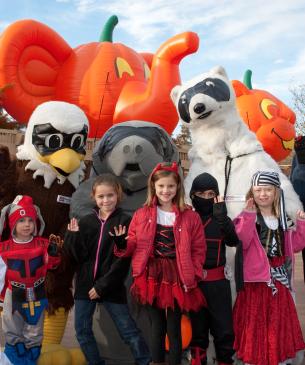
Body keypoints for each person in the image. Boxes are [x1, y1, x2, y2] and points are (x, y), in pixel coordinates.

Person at [114, 161, 207, 365]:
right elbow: (133, 245)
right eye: (161, 186)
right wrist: (122, 243)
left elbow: (199, 249)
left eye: (171, 186)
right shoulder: (142, 214)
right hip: (150, 276)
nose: (166, 190)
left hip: (178, 275)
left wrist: (195, 273)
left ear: (178, 188)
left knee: (174, 328)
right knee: (156, 325)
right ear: (154, 187)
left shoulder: (190, 217)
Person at [64, 174, 151, 365]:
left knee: (128, 331)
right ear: (94, 198)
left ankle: (145, 361)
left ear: (117, 195)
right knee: (82, 331)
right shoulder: (86, 221)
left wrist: (103, 286)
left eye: (110, 195)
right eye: (101, 196)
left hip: (111, 286)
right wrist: (73, 237)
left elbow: (123, 260)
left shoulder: (125, 221)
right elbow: (78, 257)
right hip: (85, 287)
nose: (106, 200)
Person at [233, 171, 305, 365]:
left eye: (268, 190)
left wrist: (302, 224)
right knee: (256, 323)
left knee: (277, 322)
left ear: (276, 193)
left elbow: (296, 245)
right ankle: (255, 359)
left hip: (279, 278)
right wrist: (248, 215)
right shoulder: (247, 217)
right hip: (256, 281)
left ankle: (277, 359)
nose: (263, 194)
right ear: (252, 192)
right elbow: (242, 240)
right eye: (258, 190)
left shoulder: (284, 219)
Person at [0, 195, 60, 365]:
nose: (26, 224)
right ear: (12, 224)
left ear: (36, 223)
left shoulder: (43, 244)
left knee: (35, 325)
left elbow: (52, 265)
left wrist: (54, 255)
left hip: (37, 291)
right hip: (14, 291)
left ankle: (33, 350)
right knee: (11, 324)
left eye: (30, 220)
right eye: (21, 221)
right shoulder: (3, 248)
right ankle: (13, 350)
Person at [189, 172, 239, 365]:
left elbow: (233, 242)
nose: (207, 198)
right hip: (194, 285)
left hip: (219, 285)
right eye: (202, 194)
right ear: (194, 195)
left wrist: (224, 220)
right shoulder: (188, 218)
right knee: (197, 332)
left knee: (224, 331)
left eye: (211, 194)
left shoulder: (221, 218)